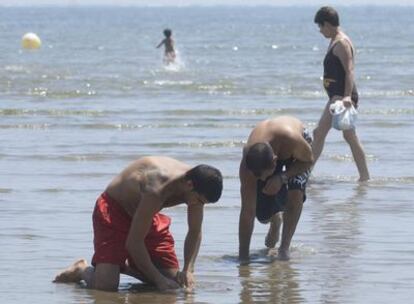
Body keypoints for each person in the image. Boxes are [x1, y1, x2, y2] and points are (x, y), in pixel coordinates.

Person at [53, 156, 223, 292]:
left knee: (175, 282)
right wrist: (158, 280)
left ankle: (124, 267)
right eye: (199, 201)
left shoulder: (198, 188)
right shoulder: (157, 187)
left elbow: (194, 231)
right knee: (106, 287)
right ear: (189, 185)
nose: (198, 205)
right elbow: (134, 243)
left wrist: (188, 269)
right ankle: (82, 270)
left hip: (146, 214)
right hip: (114, 211)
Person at [238, 116, 313, 261]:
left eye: (265, 176)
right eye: (259, 178)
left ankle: (284, 248)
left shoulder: (292, 140)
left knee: (295, 192)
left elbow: (309, 160)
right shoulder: (247, 164)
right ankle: (275, 220)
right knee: (262, 213)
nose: (263, 180)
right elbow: (247, 211)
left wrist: (282, 177)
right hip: (266, 153)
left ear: (274, 162)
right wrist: (243, 256)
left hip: (300, 151)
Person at [313, 6, 370, 182]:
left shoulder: (342, 43)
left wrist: (346, 97)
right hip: (336, 96)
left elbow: (349, 70)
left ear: (328, 24)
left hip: (341, 98)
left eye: (321, 27)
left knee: (321, 133)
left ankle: (304, 173)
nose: (320, 31)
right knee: (346, 136)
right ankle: (365, 177)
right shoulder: (335, 40)